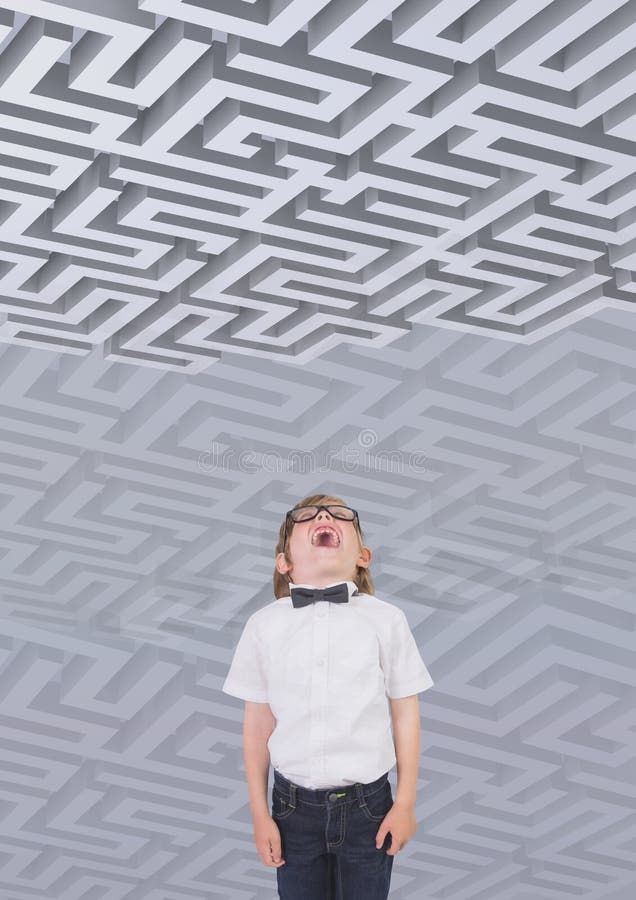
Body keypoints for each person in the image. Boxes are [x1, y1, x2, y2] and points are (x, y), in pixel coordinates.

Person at [222, 492, 434, 899]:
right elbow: (257, 725)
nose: (323, 517)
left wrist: (404, 803)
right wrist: (259, 815)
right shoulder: (263, 626)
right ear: (284, 562)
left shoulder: (386, 620)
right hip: (291, 809)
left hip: (368, 808)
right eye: (307, 517)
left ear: (363, 556)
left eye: (339, 515)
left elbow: (406, 714)